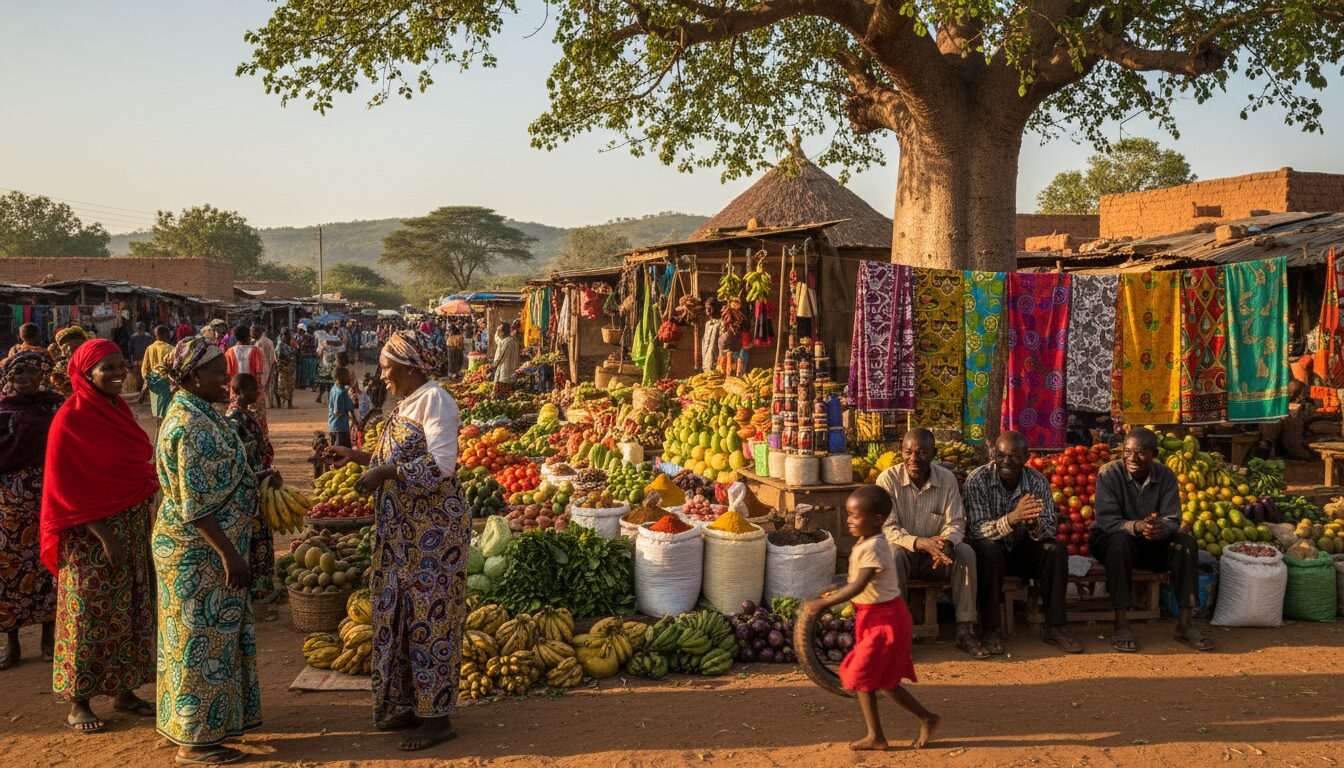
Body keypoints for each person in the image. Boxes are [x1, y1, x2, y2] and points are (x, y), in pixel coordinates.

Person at [326, 330, 465, 752]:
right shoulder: (407, 402)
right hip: (402, 535)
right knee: (400, 613)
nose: (382, 376)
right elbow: (396, 459)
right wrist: (358, 458)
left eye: (386, 369)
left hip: (432, 536)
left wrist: (385, 474)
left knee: (430, 617)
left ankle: (436, 718)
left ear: (408, 367)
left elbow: (442, 464)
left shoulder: (436, 399)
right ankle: (409, 704)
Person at [154, 337, 264, 763]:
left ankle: (191, 725)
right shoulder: (191, 424)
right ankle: (196, 743)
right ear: (194, 375)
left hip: (204, 548)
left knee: (199, 639)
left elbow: (217, 476)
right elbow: (196, 505)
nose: (226, 378)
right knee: (198, 639)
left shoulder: (199, 411)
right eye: (219, 371)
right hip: (200, 552)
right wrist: (229, 555)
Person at [41, 339, 159, 733]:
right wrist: (106, 535)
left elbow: (133, 463)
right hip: (90, 536)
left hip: (130, 525)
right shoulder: (70, 419)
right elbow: (66, 488)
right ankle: (79, 702)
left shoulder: (118, 410)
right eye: (106, 368)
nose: (117, 374)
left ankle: (123, 692)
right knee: (88, 614)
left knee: (129, 610)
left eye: (121, 366)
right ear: (86, 373)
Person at [804, 485, 939, 752]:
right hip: (872, 617)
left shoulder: (875, 547)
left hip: (885, 620)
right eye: (848, 515)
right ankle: (901, 726)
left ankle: (902, 726)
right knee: (883, 681)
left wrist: (824, 602)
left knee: (863, 674)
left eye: (855, 516)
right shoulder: (865, 541)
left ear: (877, 520)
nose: (848, 520)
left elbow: (857, 586)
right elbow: (857, 583)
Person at [1091, 427, 1213, 653]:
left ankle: (1185, 625)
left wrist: (1160, 528)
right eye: (1127, 452)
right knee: (1119, 543)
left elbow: (1172, 518)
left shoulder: (1165, 475)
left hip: (1150, 542)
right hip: (1111, 538)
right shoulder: (1108, 473)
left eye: (1140, 453)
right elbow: (1107, 521)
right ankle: (1121, 623)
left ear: (1154, 454)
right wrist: (1138, 526)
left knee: (1186, 545)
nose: (1132, 458)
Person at [964, 431, 1082, 655]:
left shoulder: (1036, 481)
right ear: (993, 455)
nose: (1006, 461)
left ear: (1026, 456)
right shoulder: (978, 479)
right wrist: (1012, 518)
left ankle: (1055, 627)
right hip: (991, 553)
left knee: (1055, 550)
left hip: (1021, 548)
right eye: (1001, 455)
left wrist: (1031, 522)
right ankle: (990, 629)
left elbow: (1049, 529)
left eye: (1014, 456)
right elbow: (977, 529)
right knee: (987, 549)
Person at [877, 428, 983, 659]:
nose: (913, 458)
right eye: (908, 452)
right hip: (904, 555)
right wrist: (919, 542)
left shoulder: (946, 479)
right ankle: (898, 635)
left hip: (936, 559)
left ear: (934, 453)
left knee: (965, 552)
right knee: (894, 554)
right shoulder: (888, 479)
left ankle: (965, 630)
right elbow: (888, 528)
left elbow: (956, 522)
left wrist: (947, 543)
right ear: (901, 452)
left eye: (922, 452)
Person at [0, 352, 62, 671]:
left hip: (49, 498)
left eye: (30, 371)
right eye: (17, 371)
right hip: (7, 505)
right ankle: (11, 645)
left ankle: (48, 639)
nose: (23, 376)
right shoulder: (2, 409)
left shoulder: (54, 406)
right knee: (9, 572)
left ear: (42, 375)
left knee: (46, 565)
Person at [226, 373, 280, 622]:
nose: (258, 392)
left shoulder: (246, 414)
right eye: (253, 389)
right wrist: (264, 473)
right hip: (250, 485)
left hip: (259, 483)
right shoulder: (235, 419)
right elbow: (240, 462)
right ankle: (257, 592)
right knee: (255, 539)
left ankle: (264, 589)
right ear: (241, 390)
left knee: (262, 537)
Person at [226, 326, 267, 431]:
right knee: (257, 420)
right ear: (248, 336)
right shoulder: (256, 351)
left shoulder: (229, 352)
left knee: (236, 420)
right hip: (253, 393)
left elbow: (227, 376)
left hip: (236, 392)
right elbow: (259, 375)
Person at [139, 325, 175, 425]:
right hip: (167, 382)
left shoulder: (149, 348)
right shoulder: (170, 348)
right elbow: (174, 368)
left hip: (153, 383)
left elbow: (144, 368)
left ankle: (158, 430)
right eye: (168, 335)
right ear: (164, 335)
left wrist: (147, 380)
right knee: (166, 411)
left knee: (157, 410)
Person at [49, 326, 89, 397]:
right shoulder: (60, 369)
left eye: (77, 340)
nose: (72, 344)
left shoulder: (94, 363)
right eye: (65, 343)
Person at [328, 367, 358, 449]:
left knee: (335, 447)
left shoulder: (334, 389)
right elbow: (337, 411)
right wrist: (351, 417)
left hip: (333, 426)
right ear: (340, 378)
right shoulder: (341, 393)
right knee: (342, 449)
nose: (349, 378)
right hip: (340, 427)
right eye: (347, 376)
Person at [252, 325, 278, 409]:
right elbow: (273, 357)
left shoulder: (259, 343)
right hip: (269, 365)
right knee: (269, 386)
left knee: (262, 386)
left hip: (262, 367)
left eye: (253, 332)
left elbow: (259, 357)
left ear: (258, 332)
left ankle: (266, 404)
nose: (252, 334)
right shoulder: (269, 341)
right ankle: (270, 403)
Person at [492, 323, 520, 397]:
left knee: (499, 397)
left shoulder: (505, 342)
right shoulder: (513, 341)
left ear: (503, 333)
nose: (497, 333)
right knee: (509, 396)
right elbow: (497, 339)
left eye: (499, 331)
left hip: (503, 376)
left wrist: (493, 366)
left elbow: (498, 358)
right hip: (512, 375)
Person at [275, 327, 298, 409]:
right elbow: (277, 357)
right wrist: (279, 366)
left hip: (291, 368)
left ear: (289, 335)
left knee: (291, 386)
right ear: (280, 336)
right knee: (281, 386)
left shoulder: (292, 344)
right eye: (282, 334)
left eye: (286, 334)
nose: (284, 336)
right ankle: (279, 404)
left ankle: (289, 403)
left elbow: (296, 354)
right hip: (283, 368)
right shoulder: (280, 345)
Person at [127, 322, 152, 391]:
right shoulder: (148, 336)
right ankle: (144, 390)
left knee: (139, 376)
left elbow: (130, 349)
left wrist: (130, 359)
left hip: (138, 360)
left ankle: (140, 391)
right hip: (144, 360)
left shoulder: (133, 337)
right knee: (144, 376)